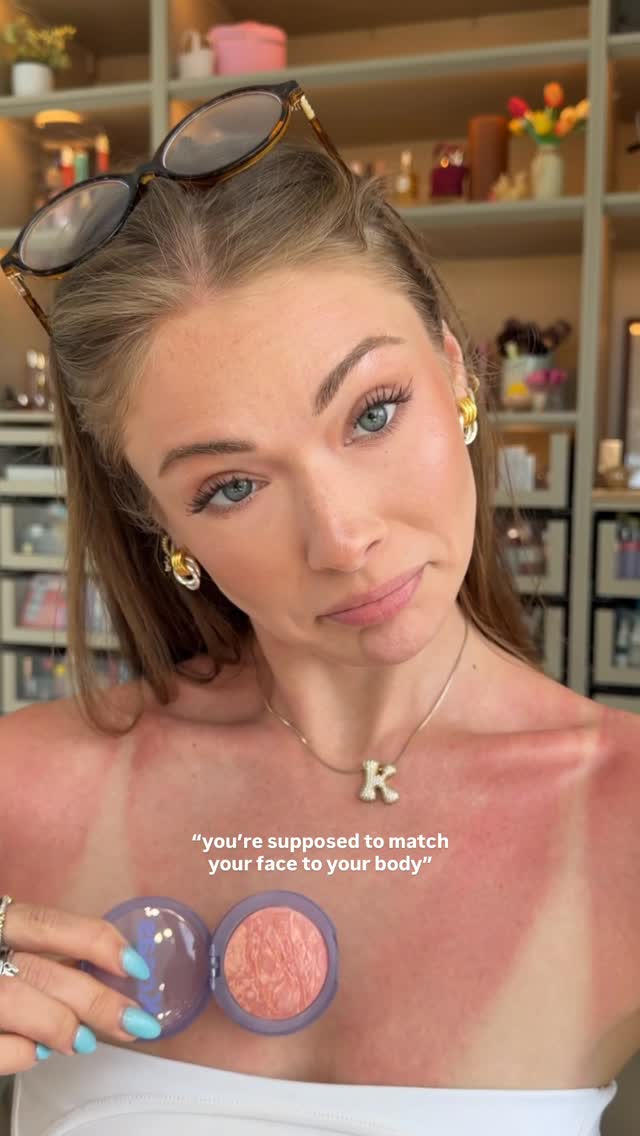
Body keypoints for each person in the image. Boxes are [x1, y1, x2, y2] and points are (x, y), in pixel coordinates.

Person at [0, 81, 638, 1136]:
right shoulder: (25, 786)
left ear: (454, 368)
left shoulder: (622, 817)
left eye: (372, 413)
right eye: (230, 486)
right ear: (160, 519)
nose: (341, 539)